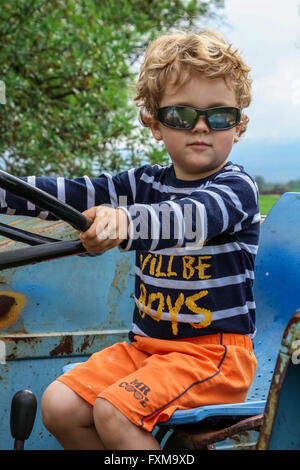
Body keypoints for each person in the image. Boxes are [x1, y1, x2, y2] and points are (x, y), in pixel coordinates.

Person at [0, 30, 260, 450]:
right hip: (147, 350)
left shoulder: (236, 189)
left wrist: (126, 221)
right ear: (155, 124)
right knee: (59, 404)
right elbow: (65, 193)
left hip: (213, 358)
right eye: (180, 115)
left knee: (114, 411)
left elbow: (189, 218)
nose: (200, 127)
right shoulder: (142, 183)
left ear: (239, 125)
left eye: (218, 116)